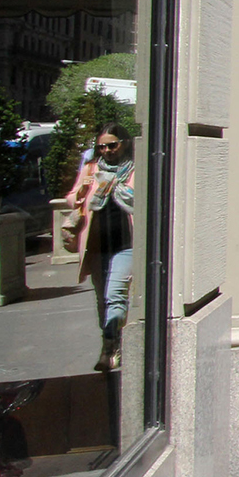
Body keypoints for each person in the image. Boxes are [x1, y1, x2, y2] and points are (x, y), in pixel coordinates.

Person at [67, 122, 135, 372]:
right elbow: (73, 197)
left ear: (124, 144)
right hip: (96, 245)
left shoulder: (135, 170)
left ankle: (109, 350)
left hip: (126, 244)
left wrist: (120, 189)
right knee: (101, 300)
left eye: (112, 145)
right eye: (101, 147)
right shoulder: (92, 169)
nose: (106, 151)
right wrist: (80, 194)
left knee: (114, 295)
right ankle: (113, 342)